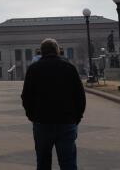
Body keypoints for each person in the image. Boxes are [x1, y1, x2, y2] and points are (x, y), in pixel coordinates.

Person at [21, 38, 86, 170]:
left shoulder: (33, 69)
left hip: (42, 122)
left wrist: (32, 116)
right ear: (57, 51)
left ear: (41, 52)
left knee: (43, 163)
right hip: (66, 122)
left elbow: (26, 96)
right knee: (68, 163)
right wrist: (76, 118)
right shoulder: (69, 68)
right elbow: (80, 96)